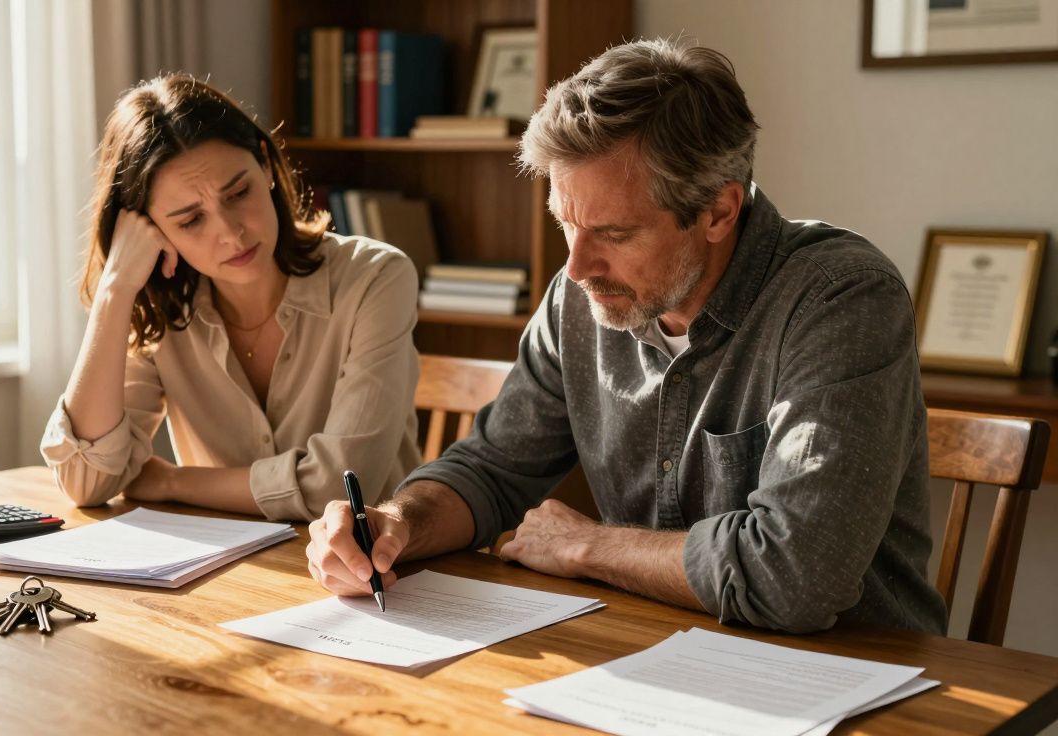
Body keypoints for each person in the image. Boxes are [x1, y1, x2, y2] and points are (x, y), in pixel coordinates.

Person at [306, 39, 949, 635]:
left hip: (854, 680)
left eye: (614, 234)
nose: (577, 268)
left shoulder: (841, 297)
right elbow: (495, 469)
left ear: (719, 211)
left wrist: (589, 545)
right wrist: (394, 524)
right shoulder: (581, 296)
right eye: (566, 223)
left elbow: (797, 575)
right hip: (646, 653)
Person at [40, 74, 421, 520]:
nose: (230, 233)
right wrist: (115, 290)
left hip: (377, 575)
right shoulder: (167, 312)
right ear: (152, 230)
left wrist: (170, 481)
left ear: (265, 165)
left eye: (238, 193)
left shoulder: (375, 278)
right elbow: (87, 481)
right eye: (190, 220)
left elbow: (338, 490)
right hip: (231, 575)